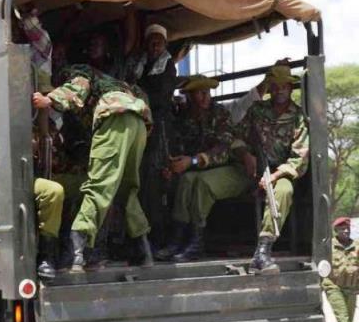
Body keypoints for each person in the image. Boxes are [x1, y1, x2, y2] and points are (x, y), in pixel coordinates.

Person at [32, 64, 153, 272]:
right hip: (139, 121)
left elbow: (78, 85)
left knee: (98, 185)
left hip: (115, 115)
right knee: (126, 189)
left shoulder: (78, 71)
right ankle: (142, 251)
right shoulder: (112, 81)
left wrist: (49, 100)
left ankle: (75, 254)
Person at [159, 75, 247, 262]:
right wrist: (173, 166)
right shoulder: (185, 119)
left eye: (207, 92)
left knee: (201, 182)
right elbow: (181, 148)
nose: (205, 97)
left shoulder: (220, 114)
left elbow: (223, 150)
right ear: (190, 96)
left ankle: (197, 243)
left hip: (232, 168)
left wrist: (191, 161)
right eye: (200, 93)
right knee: (186, 180)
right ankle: (177, 239)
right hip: (202, 169)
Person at [233, 65, 309, 274]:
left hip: (280, 172)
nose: (278, 90)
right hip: (251, 168)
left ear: (290, 88)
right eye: (274, 86)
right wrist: (246, 155)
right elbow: (236, 137)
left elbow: (299, 158)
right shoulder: (256, 110)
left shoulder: (298, 117)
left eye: (283, 86)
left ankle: (263, 251)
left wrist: (273, 176)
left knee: (284, 192)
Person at [122, 23, 177, 250]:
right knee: (141, 183)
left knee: (157, 185)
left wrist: (137, 96)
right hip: (142, 128)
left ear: (164, 44)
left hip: (160, 131)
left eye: (159, 41)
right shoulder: (140, 64)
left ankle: (158, 240)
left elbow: (161, 97)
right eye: (151, 41)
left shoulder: (168, 66)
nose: (155, 45)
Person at [322, 217, 359, 322]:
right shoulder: (328, 247)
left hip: (350, 288)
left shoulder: (356, 246)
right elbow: (321, 266)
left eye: (347, 228)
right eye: (342, 228)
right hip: (333, 286)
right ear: (335, 230)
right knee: (343, 319)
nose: (345, 231)